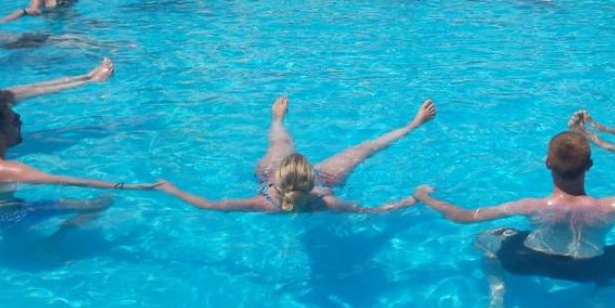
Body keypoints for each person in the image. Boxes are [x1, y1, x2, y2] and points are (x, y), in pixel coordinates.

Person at [413, 130, 615, 308]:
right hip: (590, 268)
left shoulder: (531, 206)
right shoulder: (613, 206)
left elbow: (462, 216)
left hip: (530, 261)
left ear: (547, 163)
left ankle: (497, 299)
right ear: (590, 165)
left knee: (484, 240)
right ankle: (599, 296)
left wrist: (424, 196)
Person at [154, 95, 433, 214]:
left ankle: (277, 119)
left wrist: (170, 189)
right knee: (364, 149)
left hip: (279, 176)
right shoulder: (326, 202)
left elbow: (210, 205)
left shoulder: (264, 203)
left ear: (277, 179)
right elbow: (372, 212)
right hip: (328, 179)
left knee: (280, 144)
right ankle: (412, 125)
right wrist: (413, 199)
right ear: (311, 179)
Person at [0, 97, 159, 224]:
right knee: (99, 203)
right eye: (14, 121)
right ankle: (53, 244)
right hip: (1, 218)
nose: (21, 122)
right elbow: (70, 181)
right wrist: (134, 186)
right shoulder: (8, 170)